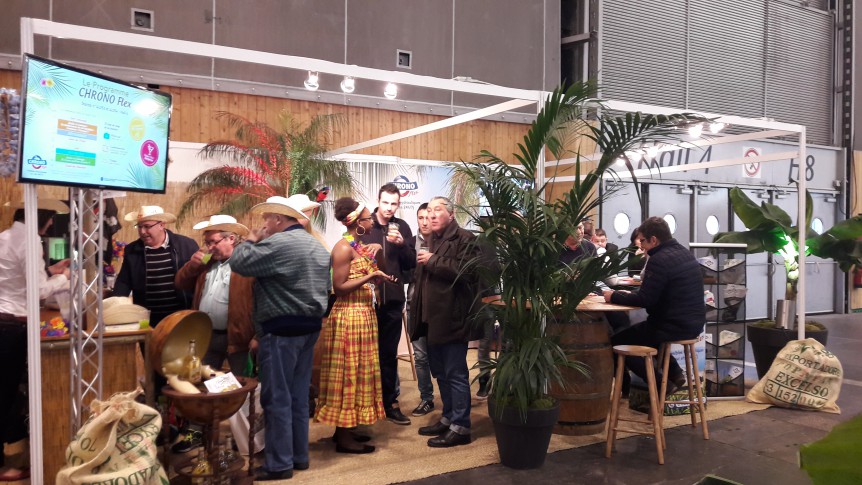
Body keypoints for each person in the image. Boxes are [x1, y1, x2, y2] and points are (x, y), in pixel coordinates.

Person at [231, 196, 330, 481]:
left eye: (267, 219)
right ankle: (299, 457)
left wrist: (251, 238)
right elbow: (324, 288)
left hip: (281, 330)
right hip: (309, 329)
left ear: (278, 219)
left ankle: (279, 464)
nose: (264, 224)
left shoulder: (277, 244)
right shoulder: (317, 246)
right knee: (299, 398)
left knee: (277, 399)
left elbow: (239, 262)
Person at [0, 199, 70, 482]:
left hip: (2, 320)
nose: (51, 224)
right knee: (9, 396)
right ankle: (10, 465)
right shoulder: (30, 242)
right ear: (39, 216)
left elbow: (15, 278)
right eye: (50, 218)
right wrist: (63, 277)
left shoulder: (5, 236)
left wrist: (50, 272)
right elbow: (38, 291)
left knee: (4, 391)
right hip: (14, 327)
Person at [315, 197, 392, 454]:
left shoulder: (359, 246)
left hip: (363, 317)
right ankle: (344, 438)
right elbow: (339, 288)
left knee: (358, 374)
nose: (372, 221)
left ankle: (344, 431)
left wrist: (377, 254)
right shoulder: (343, 248)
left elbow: (381, 278)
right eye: (369, 218)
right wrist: (370, 275)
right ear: (357, 223)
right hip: (349, 318)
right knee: (348, 374)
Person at [603, 216, 705, 393]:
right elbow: (656, 293)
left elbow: (645, 300)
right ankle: (675, 373)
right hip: (694, 324)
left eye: (643, 241)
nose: (640, 245)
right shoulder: (685, 253)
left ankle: (660, 385)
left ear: (654, 240)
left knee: (616, 342)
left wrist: (614, 296)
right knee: (650, 336)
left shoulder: (658, 260)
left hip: (671, 325)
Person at [411, 196, 482, 448]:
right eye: (428, 210)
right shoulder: (433, 240)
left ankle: (461, 427)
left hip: (453, 319)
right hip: (432, 321)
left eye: (437, 210)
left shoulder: (465, 238)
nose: (431, 215)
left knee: (455, 373)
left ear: (451, 214)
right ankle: (448, 417)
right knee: (440, 372)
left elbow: (467, 272)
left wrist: (433, 260)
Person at [359, 183, 416, 425]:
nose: (389, 208)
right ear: (378, 200)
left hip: (392, 300)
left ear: (399, 204)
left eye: (394, 204)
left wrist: (402, 245)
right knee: (363, 355)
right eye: (385, 203)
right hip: (367, 300)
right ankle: (365, 403)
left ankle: (390, 403)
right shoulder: (365, 226)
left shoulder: (402, 226)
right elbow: (354, 258)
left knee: (388, 354)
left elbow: (412, 263)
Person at [174, 215, 255, 375]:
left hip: (238, 338)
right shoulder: (206, 263)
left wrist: (258, 336)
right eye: (207, 242)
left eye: (213, 242)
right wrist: (192, 266)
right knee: (203, 381)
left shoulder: (248, 263)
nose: (209, 247)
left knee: (240, 384)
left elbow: (262, 300)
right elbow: (179, 284)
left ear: (231, 239)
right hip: (206, 335)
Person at [113, 206, 198, 327]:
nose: (142, 231)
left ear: (162, 225)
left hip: (181, 318)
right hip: (147, 321)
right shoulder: (132, 250)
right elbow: (124, 282)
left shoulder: (186, 245)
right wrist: (115, 307)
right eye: (140, 226)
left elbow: (199, 278)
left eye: (147, 226)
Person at [407, 203, 435, 416]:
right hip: (414, 306)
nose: (424, 222)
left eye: (428, 217)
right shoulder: (410, 243)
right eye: (420, 218)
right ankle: (426, 398)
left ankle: (450, 401)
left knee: (440, 357)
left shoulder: (442, 242)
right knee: (420, 356)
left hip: (436, 308)